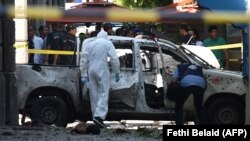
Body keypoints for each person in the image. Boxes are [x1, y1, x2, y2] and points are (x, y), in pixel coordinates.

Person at [80, 30, 120, 128]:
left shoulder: (90, 44)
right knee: (103, 92)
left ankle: (95, 118)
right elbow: (114, 58)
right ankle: (99, 116)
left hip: (91, 69)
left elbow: (83, 59)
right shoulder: (107, 43)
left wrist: (83, 74)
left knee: (94, 94)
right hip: (102, 68)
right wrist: (117, 72)